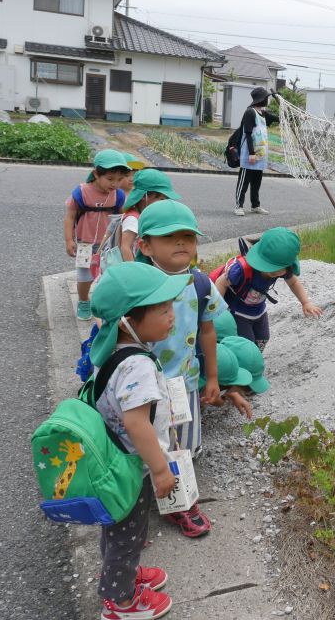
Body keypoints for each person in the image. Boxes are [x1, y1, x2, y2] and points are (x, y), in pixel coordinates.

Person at [89, 261, 189, 619]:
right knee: (127, 534)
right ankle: (121, 600)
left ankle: (122, 574)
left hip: (115, 461)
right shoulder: (139, 366)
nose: (172, 315)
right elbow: (136, 422)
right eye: (163, 309)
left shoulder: (114, 351)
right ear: (128, 319)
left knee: (119, 529)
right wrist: (160, 470)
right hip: (130, 467)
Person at [136, 200, 227, 538]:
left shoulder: (200, 284)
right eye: (170, 237)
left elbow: (207, 331)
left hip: (184, 384)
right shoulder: (136, 284)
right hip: (140, 387)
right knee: (139, 444)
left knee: (181, 447)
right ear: (145, 245)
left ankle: (180, 504)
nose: (181, 244)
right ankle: (132, 513)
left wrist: (212, 377)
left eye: (188, 237)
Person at [212, 227, 322, 352]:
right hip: (237, 312)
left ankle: (255, 360)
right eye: (271, 267)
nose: (278, 272)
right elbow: (221, 282)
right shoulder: (241, 269)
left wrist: (305, 302)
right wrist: (217, 309)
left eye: (281, 268)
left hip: (258, 310)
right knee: (246, 344)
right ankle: (245, 363)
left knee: (263, 338)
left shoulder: (284, 268)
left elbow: (294, 282)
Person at [64, 149, 131, 320]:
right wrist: (69, 240)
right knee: (84, 276)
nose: (114, 184)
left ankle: (106, 302)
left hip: (108, 244)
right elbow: (70, 216)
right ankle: (84, 301)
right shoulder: (81, 192)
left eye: (119, 179)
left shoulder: (119, 196)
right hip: (84, 243)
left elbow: (122, 219)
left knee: (108, 274)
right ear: (96, 174)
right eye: (110, 179)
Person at [234, 86, 279, 217]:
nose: (267, 100)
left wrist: (296, 117)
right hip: (250, 154)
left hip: (261, 155)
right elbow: (247, 134)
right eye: (266, 98)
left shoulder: (263, 113)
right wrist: (251, 153)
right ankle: (239, 205)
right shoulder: (250, 112)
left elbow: (279, 118)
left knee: (256, 182)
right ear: (261, 99)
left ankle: (255, 205)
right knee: (244, 181)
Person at [120, 169, 181, 263]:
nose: (164, 203)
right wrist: (132, 272)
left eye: (166, 199)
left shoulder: (147, 216)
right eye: (160, 199)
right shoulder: (133, 219)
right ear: (144, 196)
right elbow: (125, 247)